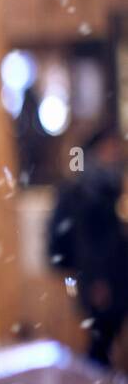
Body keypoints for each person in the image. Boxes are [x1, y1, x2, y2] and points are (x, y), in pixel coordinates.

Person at [48, 124, 128, 367]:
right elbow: (86, 245)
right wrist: (96, 282)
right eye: (109, 149)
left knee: (104, 342)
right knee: (99, 345)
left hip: (115, 281)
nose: (115, 154)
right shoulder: (87, 191)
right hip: (100, 283)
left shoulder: (110, 187)